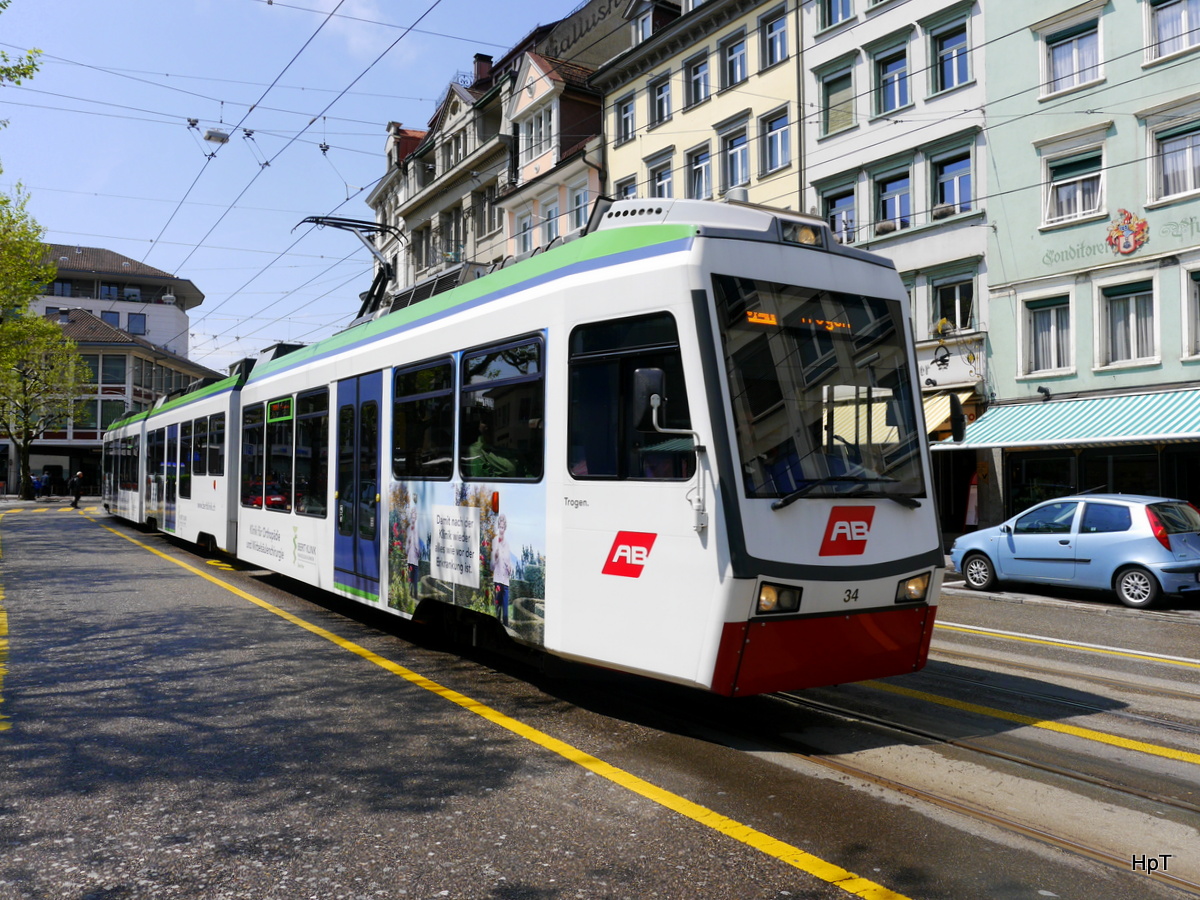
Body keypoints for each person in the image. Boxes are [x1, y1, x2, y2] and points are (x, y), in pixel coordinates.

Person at [490, 513, 513, 627]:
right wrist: (496, 556)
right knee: (498, 608)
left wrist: (510, 568)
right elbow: (492, 566)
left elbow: (509, 563)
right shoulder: (495, 541)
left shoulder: (507, 544)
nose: (501, 529)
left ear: (505, 528)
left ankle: (507, 629)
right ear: (498, 527)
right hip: (498, 580)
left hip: (506, 581)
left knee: (506, 612)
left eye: (503, 527)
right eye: (500, 527)